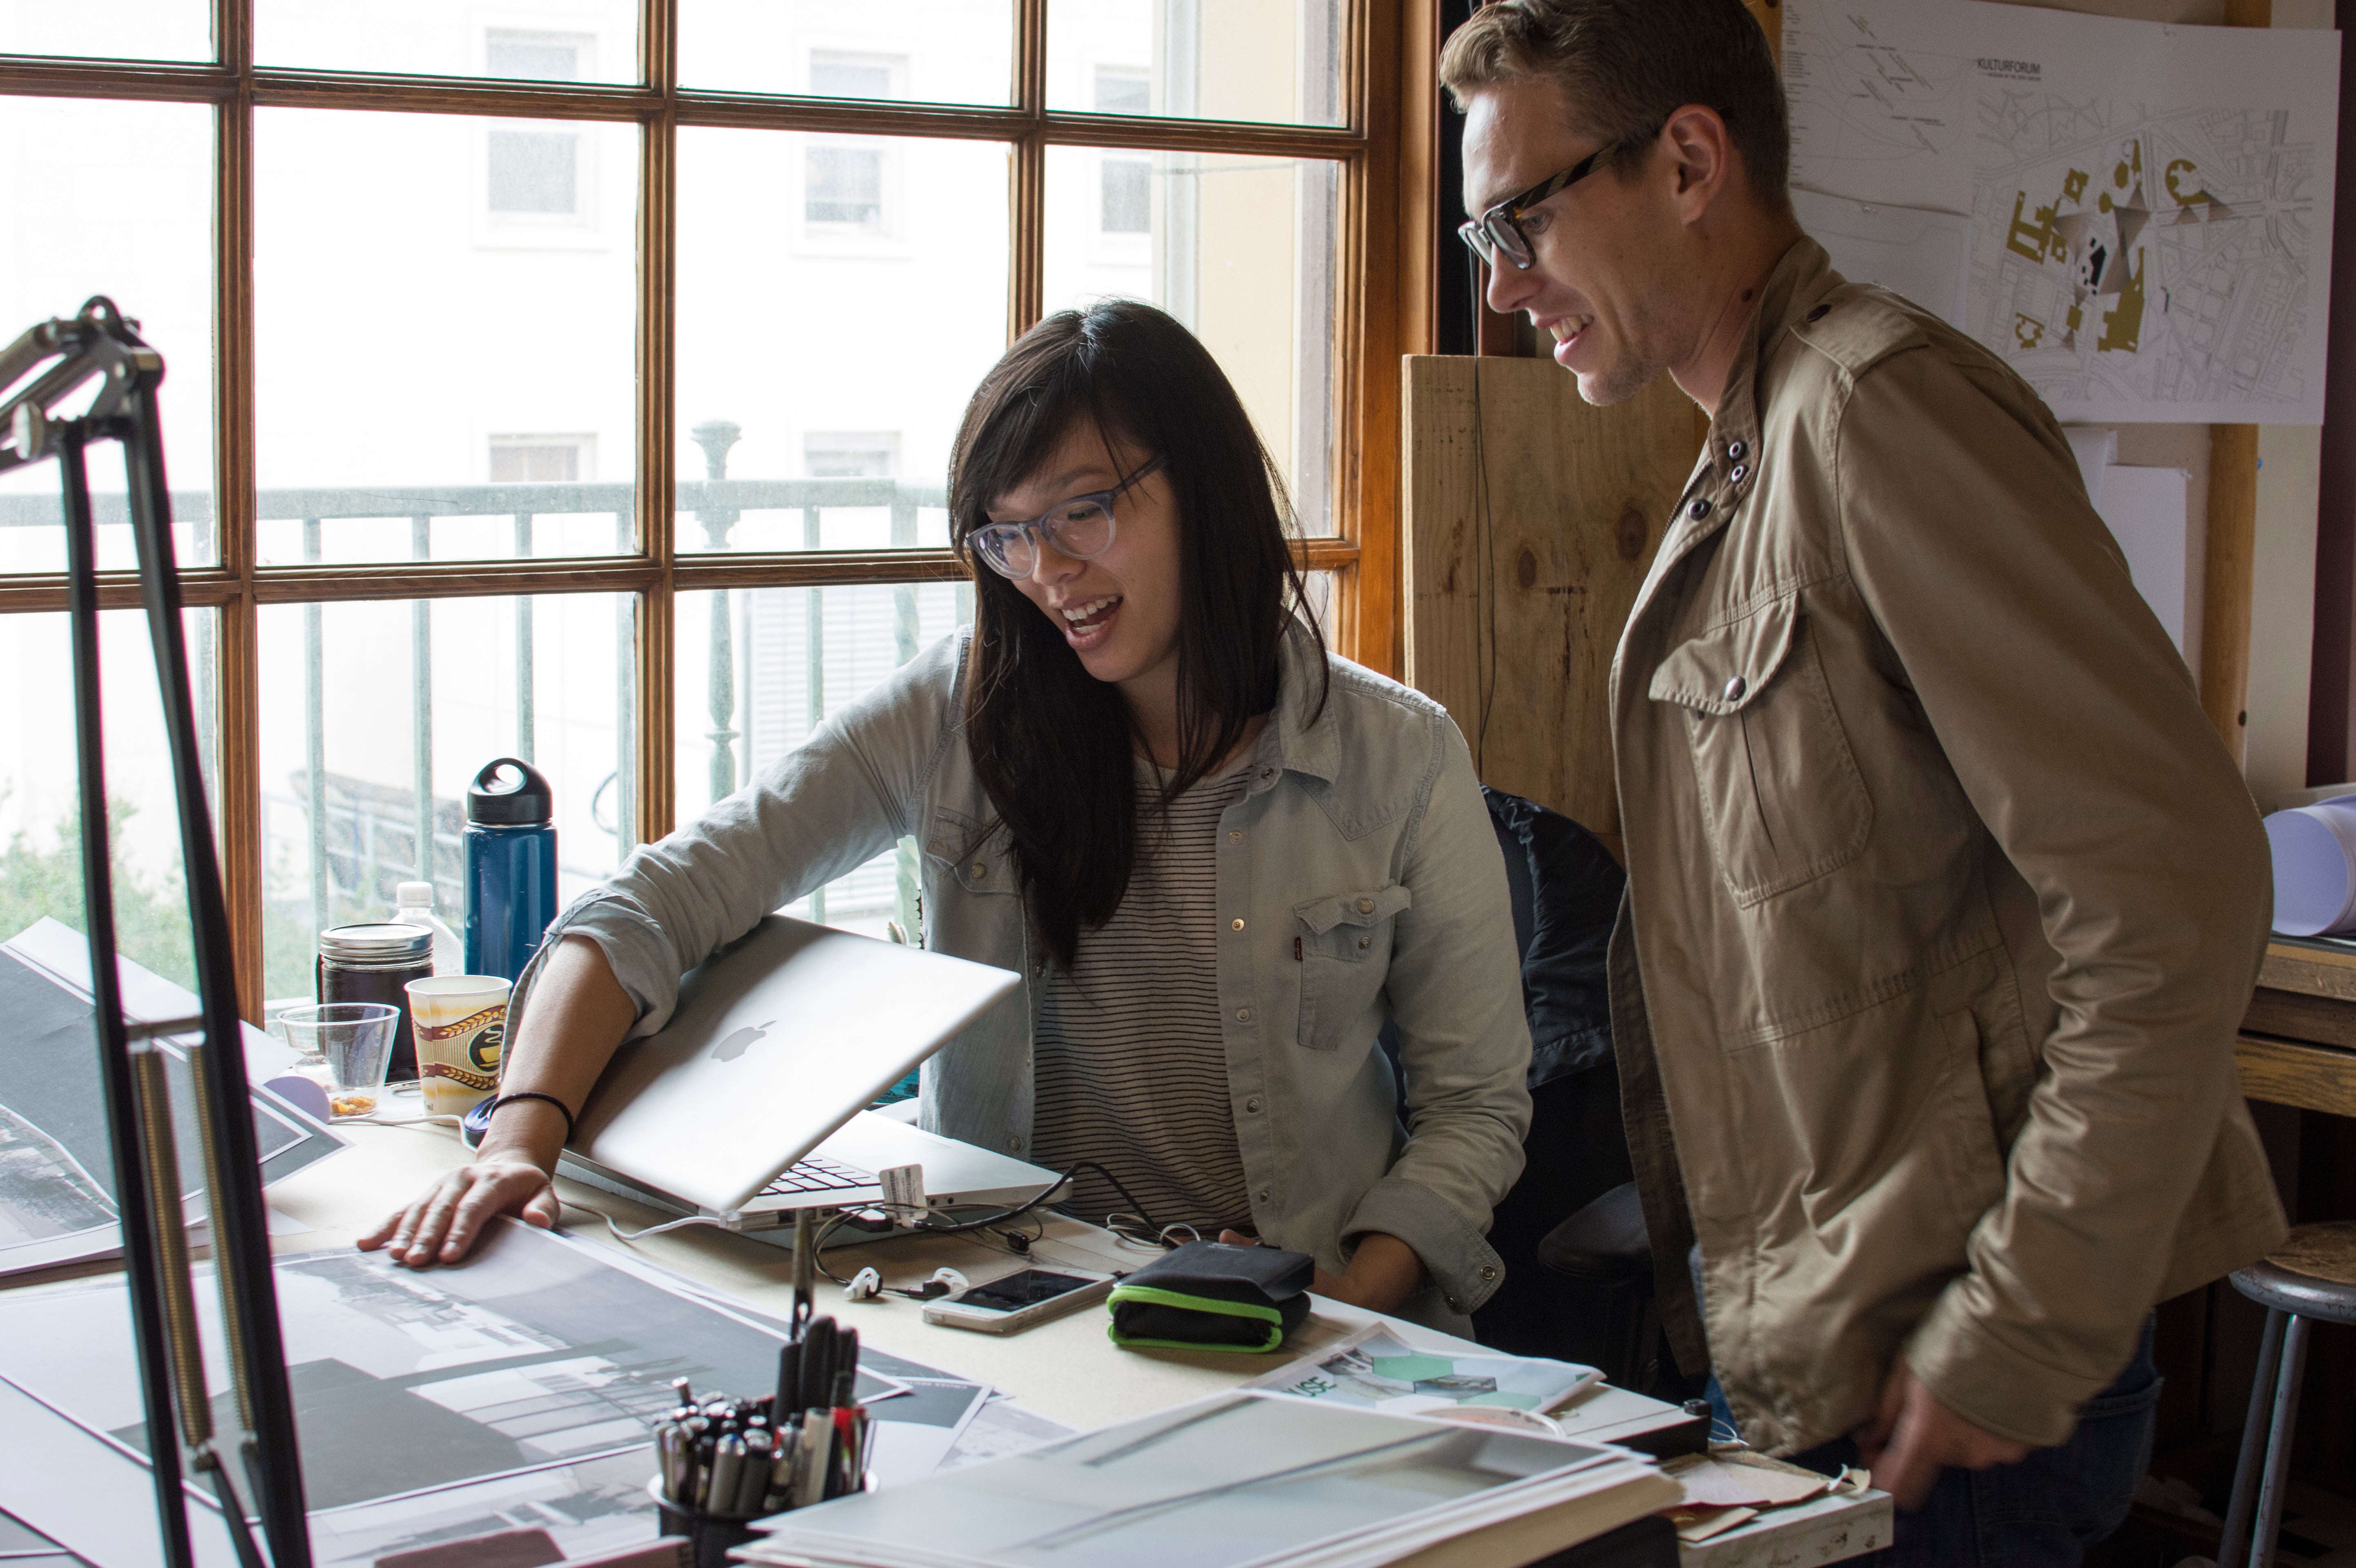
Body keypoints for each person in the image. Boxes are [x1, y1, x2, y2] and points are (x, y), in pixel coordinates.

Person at [1440, 0, 2286, 1560]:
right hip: (1826, 1348)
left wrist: (2023, 1324)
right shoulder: (1745, 459)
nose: (1502, 286)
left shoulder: (1874, 414)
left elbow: (2179, 893)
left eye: (1522, 218)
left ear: (1688, 160)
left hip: (1961, 1374)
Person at [361, 300, 1535, 1328]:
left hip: (1314, 1329)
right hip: (1033, 1312)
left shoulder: (1399, 755)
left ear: (1206, 486)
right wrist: (520, 1140)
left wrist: (1330, 1302)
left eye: (1083, 511)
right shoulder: (960, 712)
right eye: (1007, 534)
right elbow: (653, 905)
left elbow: (1476, 1108)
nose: (1046, 571)